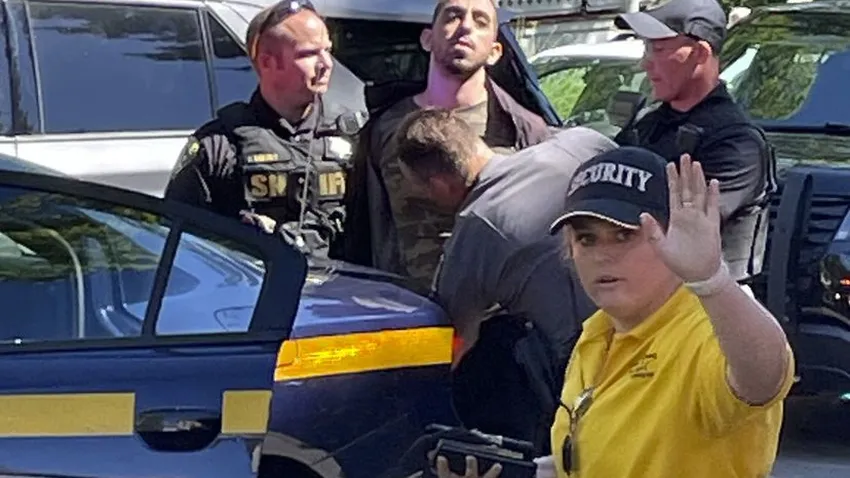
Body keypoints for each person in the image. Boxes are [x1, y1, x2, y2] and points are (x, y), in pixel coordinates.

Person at [540, 147, 794, 477]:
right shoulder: (598, 332)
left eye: (624, 235)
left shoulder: (706, 330)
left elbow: (765, 377)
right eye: (587, 239)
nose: (602, 255)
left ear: (674, 237)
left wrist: (712, 280)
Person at [392, 108, 616, 453]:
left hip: (590, 370)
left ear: (439, 185)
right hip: (663, 319)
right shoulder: (578, 143)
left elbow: (455, 340)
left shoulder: (475, 229)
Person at [344, 0, 551, 288]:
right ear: (427, 39)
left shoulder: (524, 131)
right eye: (453, 16)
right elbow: (363, 230)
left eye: (480, 21)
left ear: (495, 52)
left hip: (495, 308)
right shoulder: (384, 128)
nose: (465, 26)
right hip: (405, 306)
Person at [164, 0, 358, 256]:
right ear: (267, 62)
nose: (326, 63)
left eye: (328, 50)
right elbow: (182, 241)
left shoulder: (353, 134)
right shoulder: (219, 145)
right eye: (309, 54)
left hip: (339, 280)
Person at [613, 0, 778, 284]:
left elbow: (678, 230)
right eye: (647, 48)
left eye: (659, 49)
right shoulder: (649, 123)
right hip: (642, 287)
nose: (646, 63)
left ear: (700, 53)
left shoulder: (737, 143)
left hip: (708, 299)